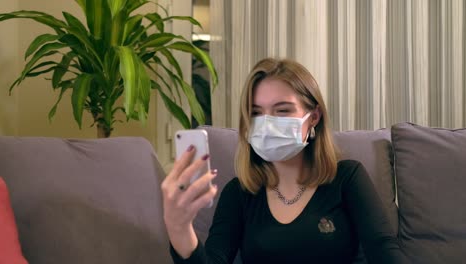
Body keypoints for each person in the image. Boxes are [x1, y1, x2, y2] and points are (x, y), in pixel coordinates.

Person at [162, 58, 408, 263]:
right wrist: (179, 229)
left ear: (313, 117)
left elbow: (384, 250)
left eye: (282, 110)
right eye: (256, 113)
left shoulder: (347, 178)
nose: (267, 122)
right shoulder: (238, 193)